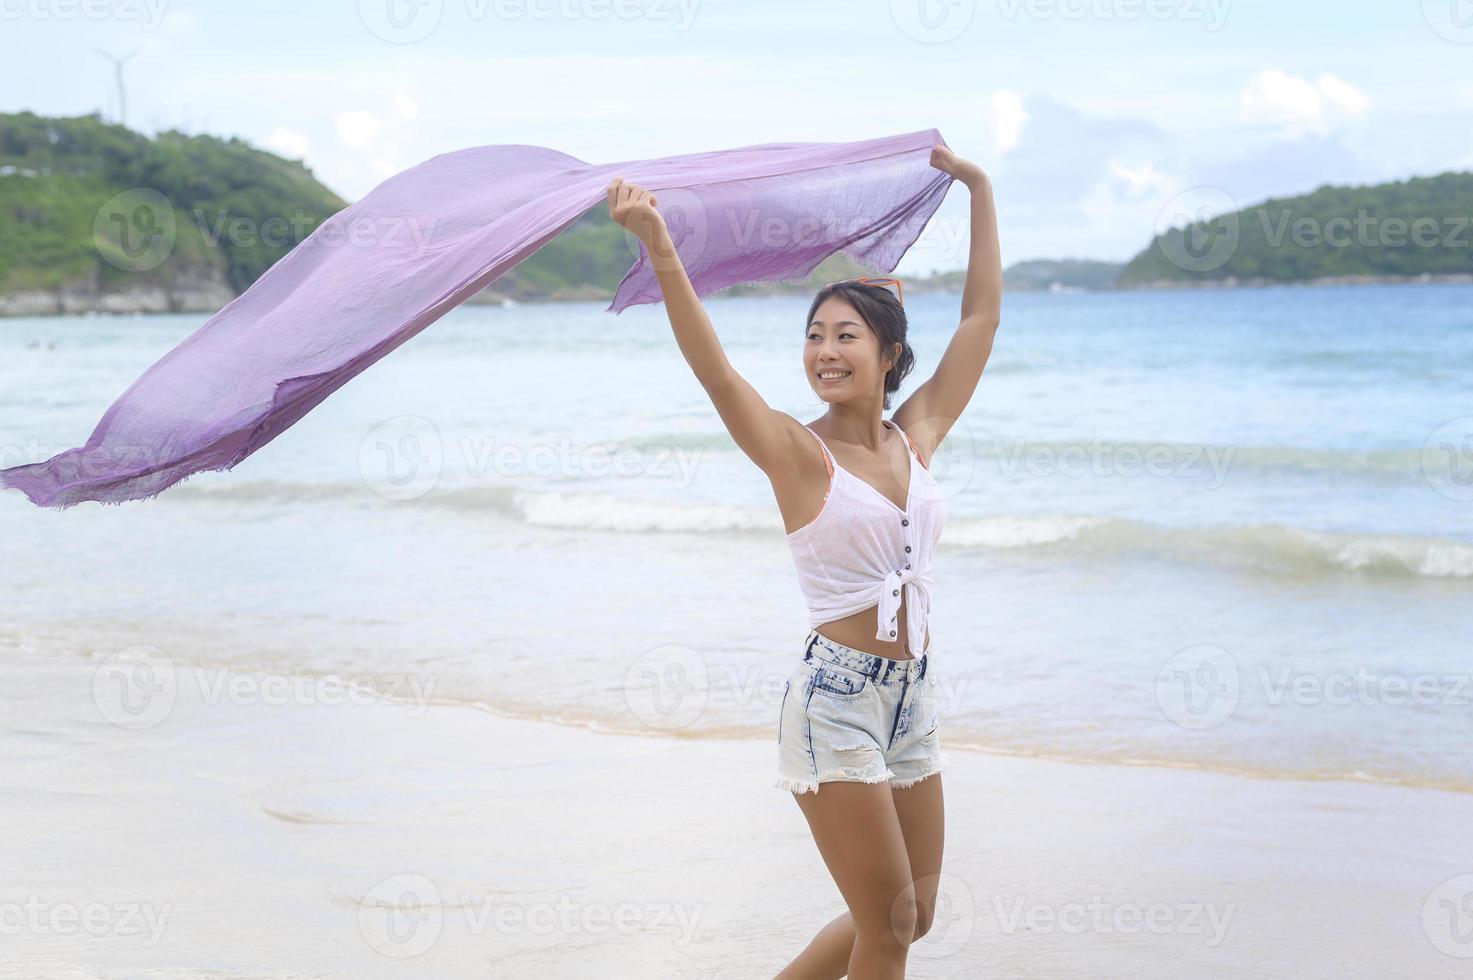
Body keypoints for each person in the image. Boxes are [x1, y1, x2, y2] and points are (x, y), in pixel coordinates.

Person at [607, 142, 999, 980]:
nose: (825, 349)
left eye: (845, 335)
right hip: (835, 702)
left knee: (908, 917)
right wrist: (661, 249)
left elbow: (979, 321)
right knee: (887, 924)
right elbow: (716, 375)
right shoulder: (795, 453)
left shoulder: (917, 435)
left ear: (888, 355)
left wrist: (978, 189)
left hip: (911, 697)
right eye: (814, 334)